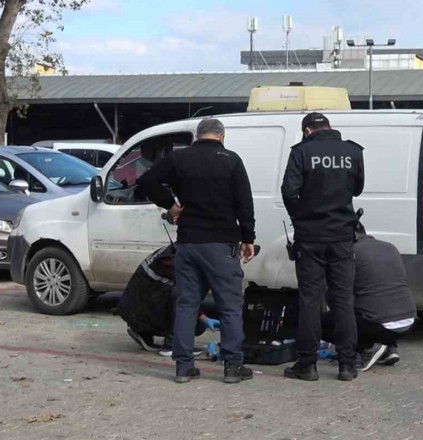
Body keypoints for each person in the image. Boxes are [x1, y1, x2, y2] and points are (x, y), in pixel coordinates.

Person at [137, 118, 257, 384]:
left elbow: (147, 181)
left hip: (189, 242)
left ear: (197, 136)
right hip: (221, 244)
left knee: (187, 303)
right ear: (222, 137)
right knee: (229, 306)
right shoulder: (231, 160)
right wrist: (248, 238)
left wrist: (172, 205)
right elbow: (244, 202)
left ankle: (183, 366)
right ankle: (232, 367)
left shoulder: (180, 158)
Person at [281, 112, 365, 382]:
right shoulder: (352, 151)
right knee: (343, 299)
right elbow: (358, 189)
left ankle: (307, 365)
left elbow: (288, 191)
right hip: (342, 236)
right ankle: (347, 365)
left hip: (310, 237)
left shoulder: (302, 152)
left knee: (310, 299)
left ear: (307, 131)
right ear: (329, 127)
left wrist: (301, 216)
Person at [340, 222, 416, 372]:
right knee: (381, 301)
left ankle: (369, 347)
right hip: (409, 320)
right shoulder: (390, 247)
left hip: (379, 324)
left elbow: (339, 293)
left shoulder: (351, 252)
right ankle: (389, 348)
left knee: (332, 318)